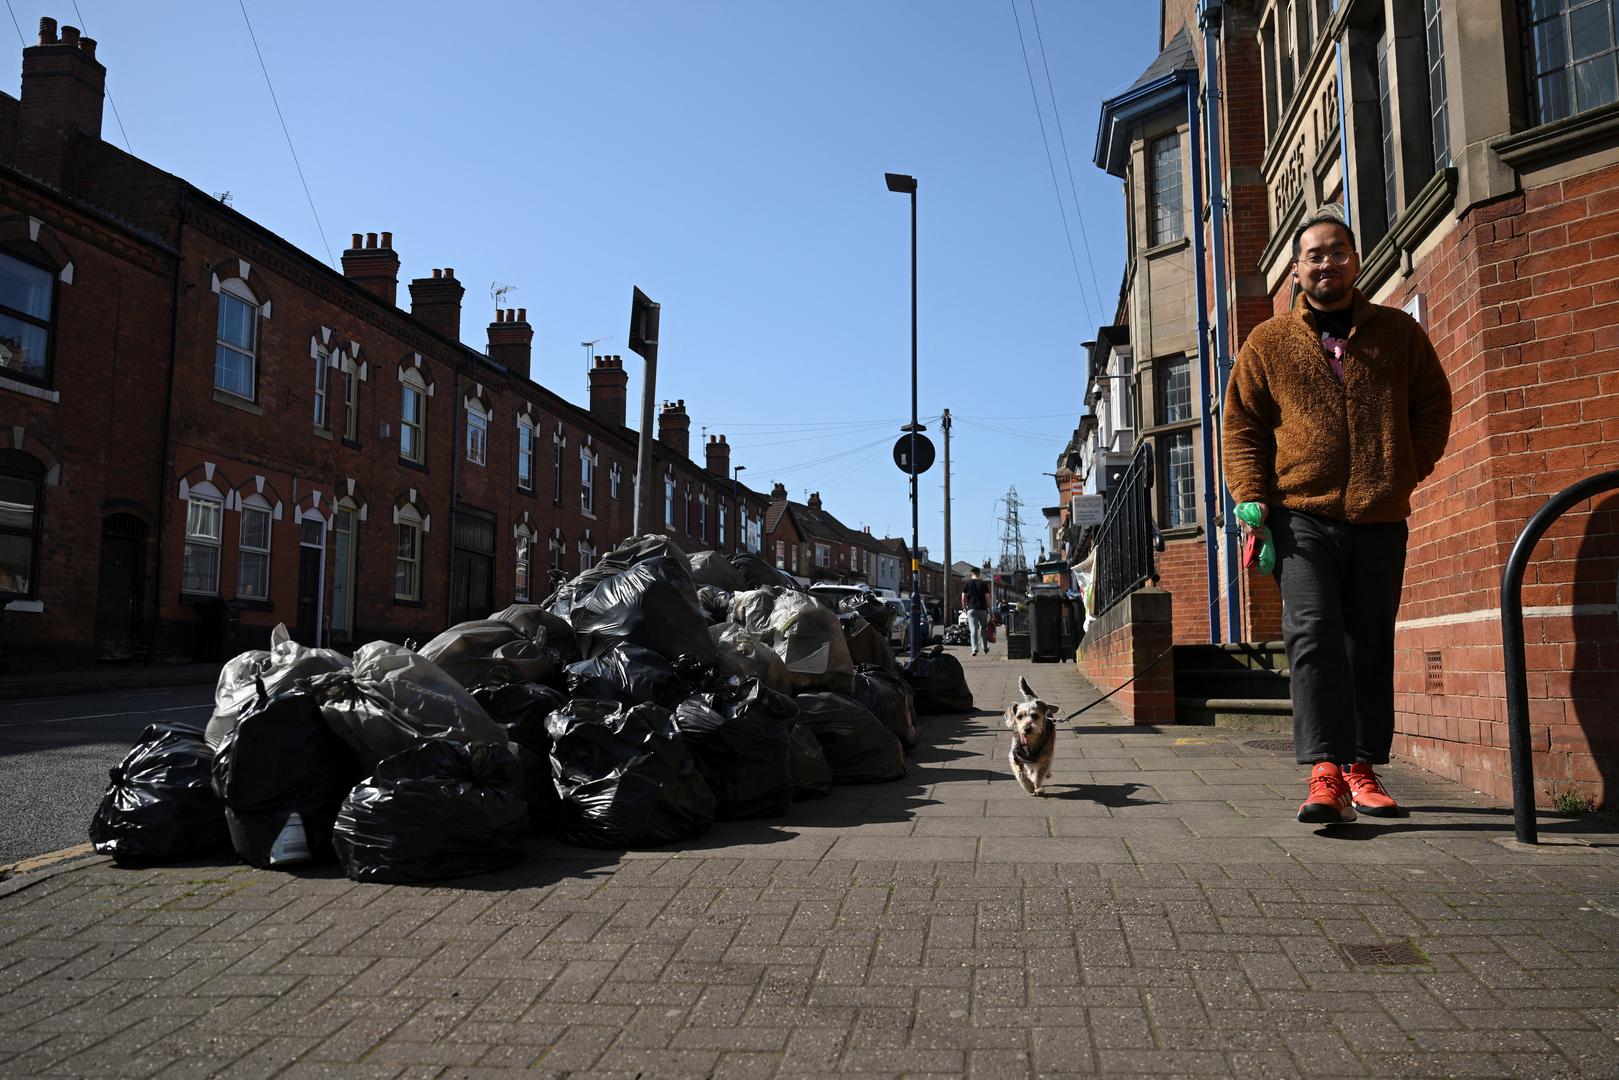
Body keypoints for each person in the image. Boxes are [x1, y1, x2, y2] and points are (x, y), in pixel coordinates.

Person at [1222, 205, 1452, 826]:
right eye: (1315, 254)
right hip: (1300, 515)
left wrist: (1405, 468)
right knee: (1314, 631)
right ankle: (1325, 772)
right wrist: (1251, 494)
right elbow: (1242, 423)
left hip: (1380, 515)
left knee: (1368, 640)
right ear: (1297, 271)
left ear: (1356, 259)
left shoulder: (1397, 332)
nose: (1328, 262)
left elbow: (1433, 406)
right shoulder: (1268, 341)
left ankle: (1361, 766)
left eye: (1338, 250)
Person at [961, 566, 992, 657]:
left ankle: (974, 649)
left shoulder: (967, 584)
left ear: (971, 574)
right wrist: (991, 610)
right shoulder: (984, 584)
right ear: (979, 574)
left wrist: (965, 609)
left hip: (971, 609)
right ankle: (985, 647)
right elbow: (987, 598)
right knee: (983, 629)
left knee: (973, 629)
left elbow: (963, 598)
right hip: (982, 609)